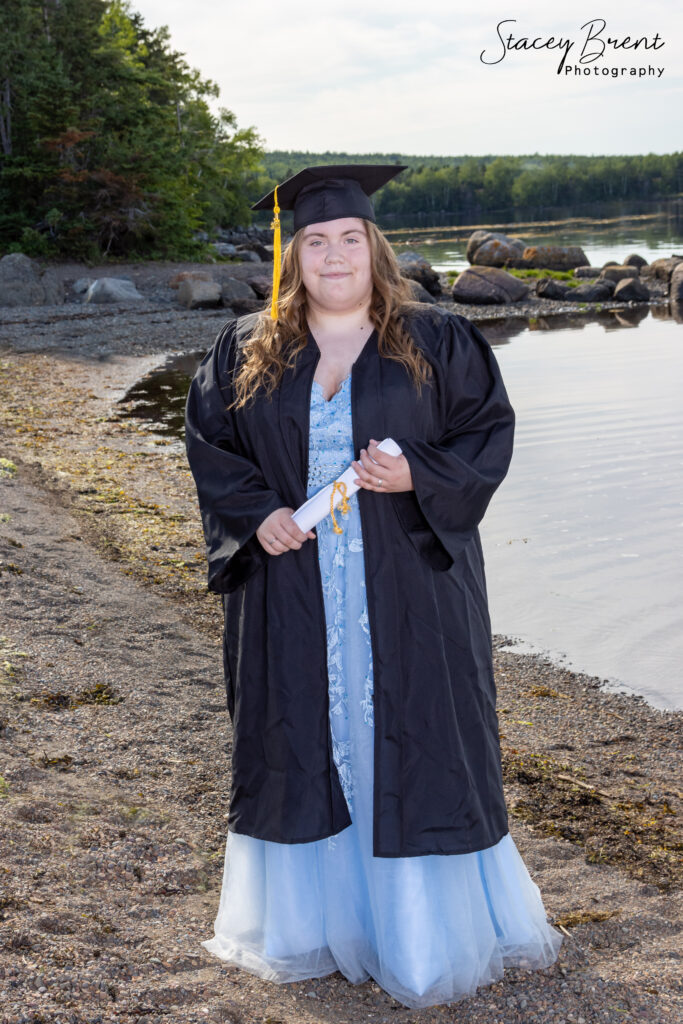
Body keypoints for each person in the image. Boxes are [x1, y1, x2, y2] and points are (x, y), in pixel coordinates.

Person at [184, 164, 563, 1009]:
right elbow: (212, 446)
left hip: (411, 587)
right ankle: (310, 927)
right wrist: (257, 516)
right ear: (293, 258)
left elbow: (485, 433)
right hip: (291, 586)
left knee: (418, 733)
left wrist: (415, 474)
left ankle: (423, 937)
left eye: (347, 239)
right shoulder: (245, 350)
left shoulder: (436, 341)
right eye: (313, 241)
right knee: (299, 734)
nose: (331, 255)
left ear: (374, 247)